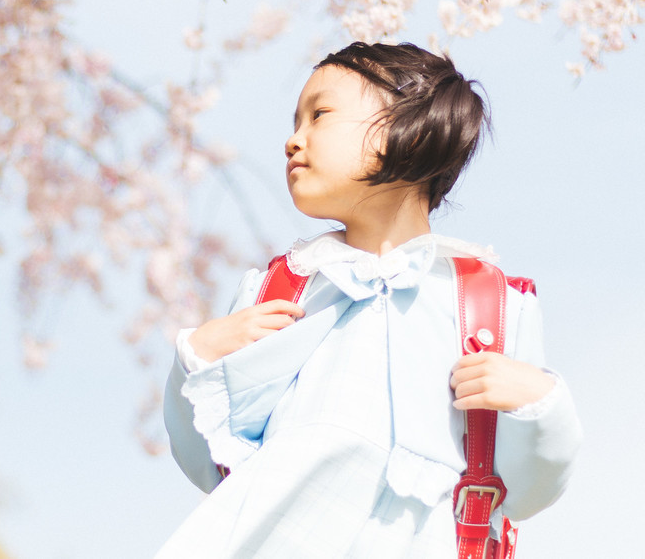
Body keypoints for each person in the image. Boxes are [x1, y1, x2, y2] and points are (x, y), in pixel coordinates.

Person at [158, 42, 581, 558]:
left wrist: (540, 405)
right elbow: (213, 463)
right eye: (295, 121)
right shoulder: (282, 290)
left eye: (320, 115)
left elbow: (528, 487)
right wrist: (198, 359)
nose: (294, 140)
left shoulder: (489, 307)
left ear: (411, 130)